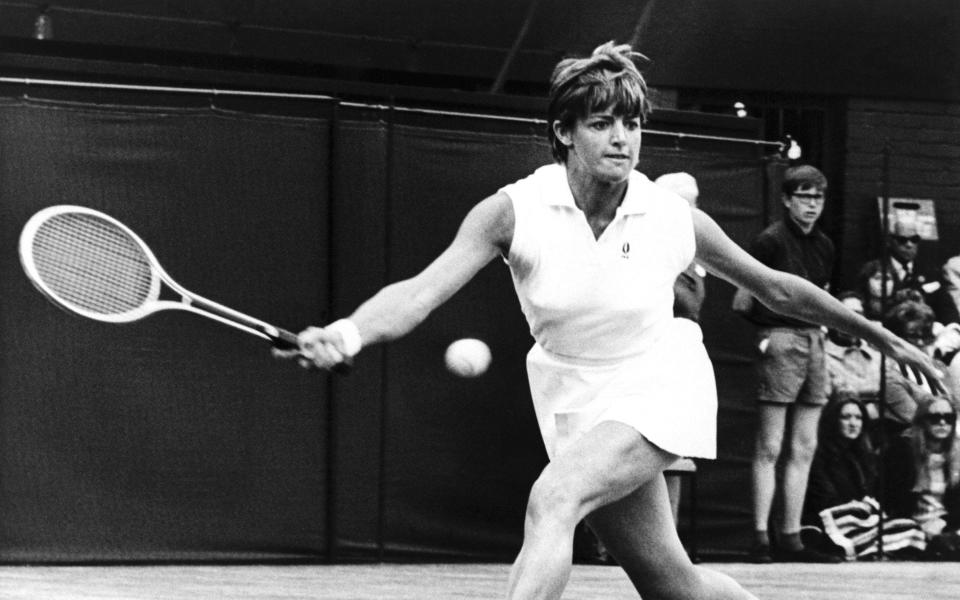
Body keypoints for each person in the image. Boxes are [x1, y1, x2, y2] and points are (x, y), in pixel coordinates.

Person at [275, 42, 942, 599]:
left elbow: (776, 288)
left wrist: (881, 336)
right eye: (601, 123)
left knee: (553, 501)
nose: (622, 137)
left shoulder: (671, 217)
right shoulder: (514, 212)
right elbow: (420, 294)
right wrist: (348, 333)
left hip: (657, 380)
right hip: (573, 396)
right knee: (672, 584)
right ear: (564, 132)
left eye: (631, 122)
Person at [734, 164, 842, 562]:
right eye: (803, 196)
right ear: (786, 199)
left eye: (818, 197)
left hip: (816, 338)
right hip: (780, 339)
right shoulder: (769, 241)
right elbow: (743, 300)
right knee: (770, 443)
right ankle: (761, 536)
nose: (811, 205)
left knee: (805, 443)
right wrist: (773, 332)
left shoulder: (825, 245)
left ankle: (791, 535)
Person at [884, 394, 960, 559]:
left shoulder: (958, 456)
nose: (942, 422)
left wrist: (944, 521)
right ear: (922, 421)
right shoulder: (903, 452)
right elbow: (892, 499)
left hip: (946, 525)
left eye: (948, 418)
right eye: (935, 417)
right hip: (911, 528)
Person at [656, 172, 706, 323]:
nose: (690, 210)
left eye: (693, 203)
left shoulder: (692, 251)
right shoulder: (648, 254)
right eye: (682, 203)